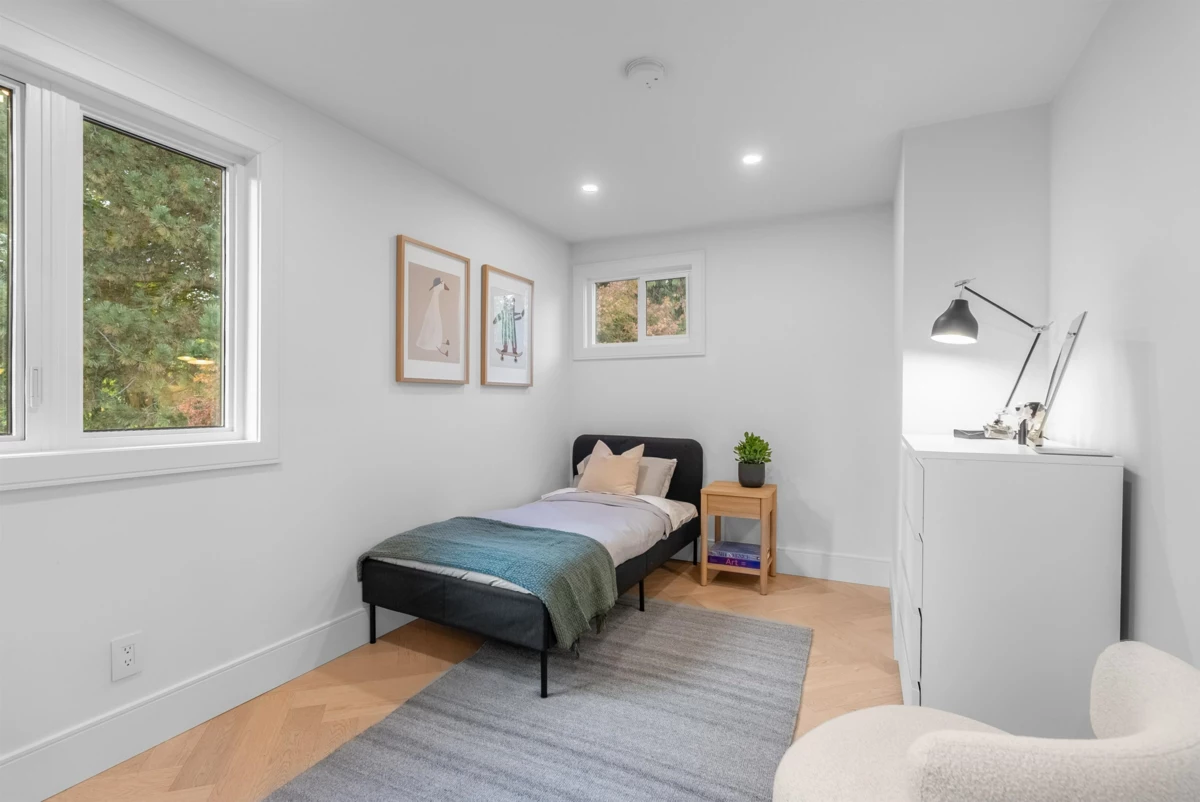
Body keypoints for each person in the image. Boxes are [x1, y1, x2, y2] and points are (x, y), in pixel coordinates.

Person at [416, 276, 451, 357]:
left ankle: (434, 342)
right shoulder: (435, 295)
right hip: (434, 308)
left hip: (434, 307)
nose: (443, 283)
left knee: (434, 322)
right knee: (434, 322)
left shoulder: (435, 296)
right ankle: (432, 343)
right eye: (442, 282)